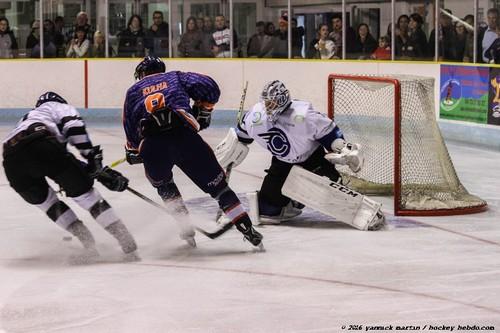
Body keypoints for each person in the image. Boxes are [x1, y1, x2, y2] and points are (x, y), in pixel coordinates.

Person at [122, 56, 263, 248]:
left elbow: (129, 127)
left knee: (164, 185)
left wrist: (133, 150)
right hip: (185, 138)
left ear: (142, 73)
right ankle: (247, 228)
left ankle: (185, 227)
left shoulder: (133, 92)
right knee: (219, 188)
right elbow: (209, 86)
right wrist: (203, 109)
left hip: (153, 146)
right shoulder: (175, 77)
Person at [214, 80, 385, 231]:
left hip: (312, 160)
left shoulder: (303, 114)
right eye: (266, 103)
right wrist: (232, 149)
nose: (268, 107)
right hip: (282, 164)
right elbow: (242, 137)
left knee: (329, 190)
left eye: (272, 104)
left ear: (282, 101)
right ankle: (293, 202)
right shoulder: (255, 116)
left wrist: (344, 150)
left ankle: (361, 207)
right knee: (267, 211)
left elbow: (331, 135)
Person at [2, 92, 138, 261]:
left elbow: (57, 157)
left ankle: (88, 244)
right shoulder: (58, 106)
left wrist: (86, 169)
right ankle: (126, 241)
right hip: (43, 147)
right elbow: (73, 128)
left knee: (49, 204)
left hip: (11, 163)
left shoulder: (26, 119)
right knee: (86, 196)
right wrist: (92, 159)